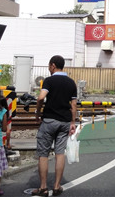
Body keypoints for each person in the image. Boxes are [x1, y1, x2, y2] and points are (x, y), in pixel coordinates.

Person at [32, 55, 77, 197]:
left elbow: (40, 97)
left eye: (48, 65)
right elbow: (74, 106)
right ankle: (57, 186)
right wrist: (72, 122)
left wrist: (38, 113)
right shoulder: (71, 82)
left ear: (52, 65)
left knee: (43, 154)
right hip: (64, 122)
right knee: (59, 154)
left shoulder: (49, 81)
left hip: (50, 121)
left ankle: (43, 188)